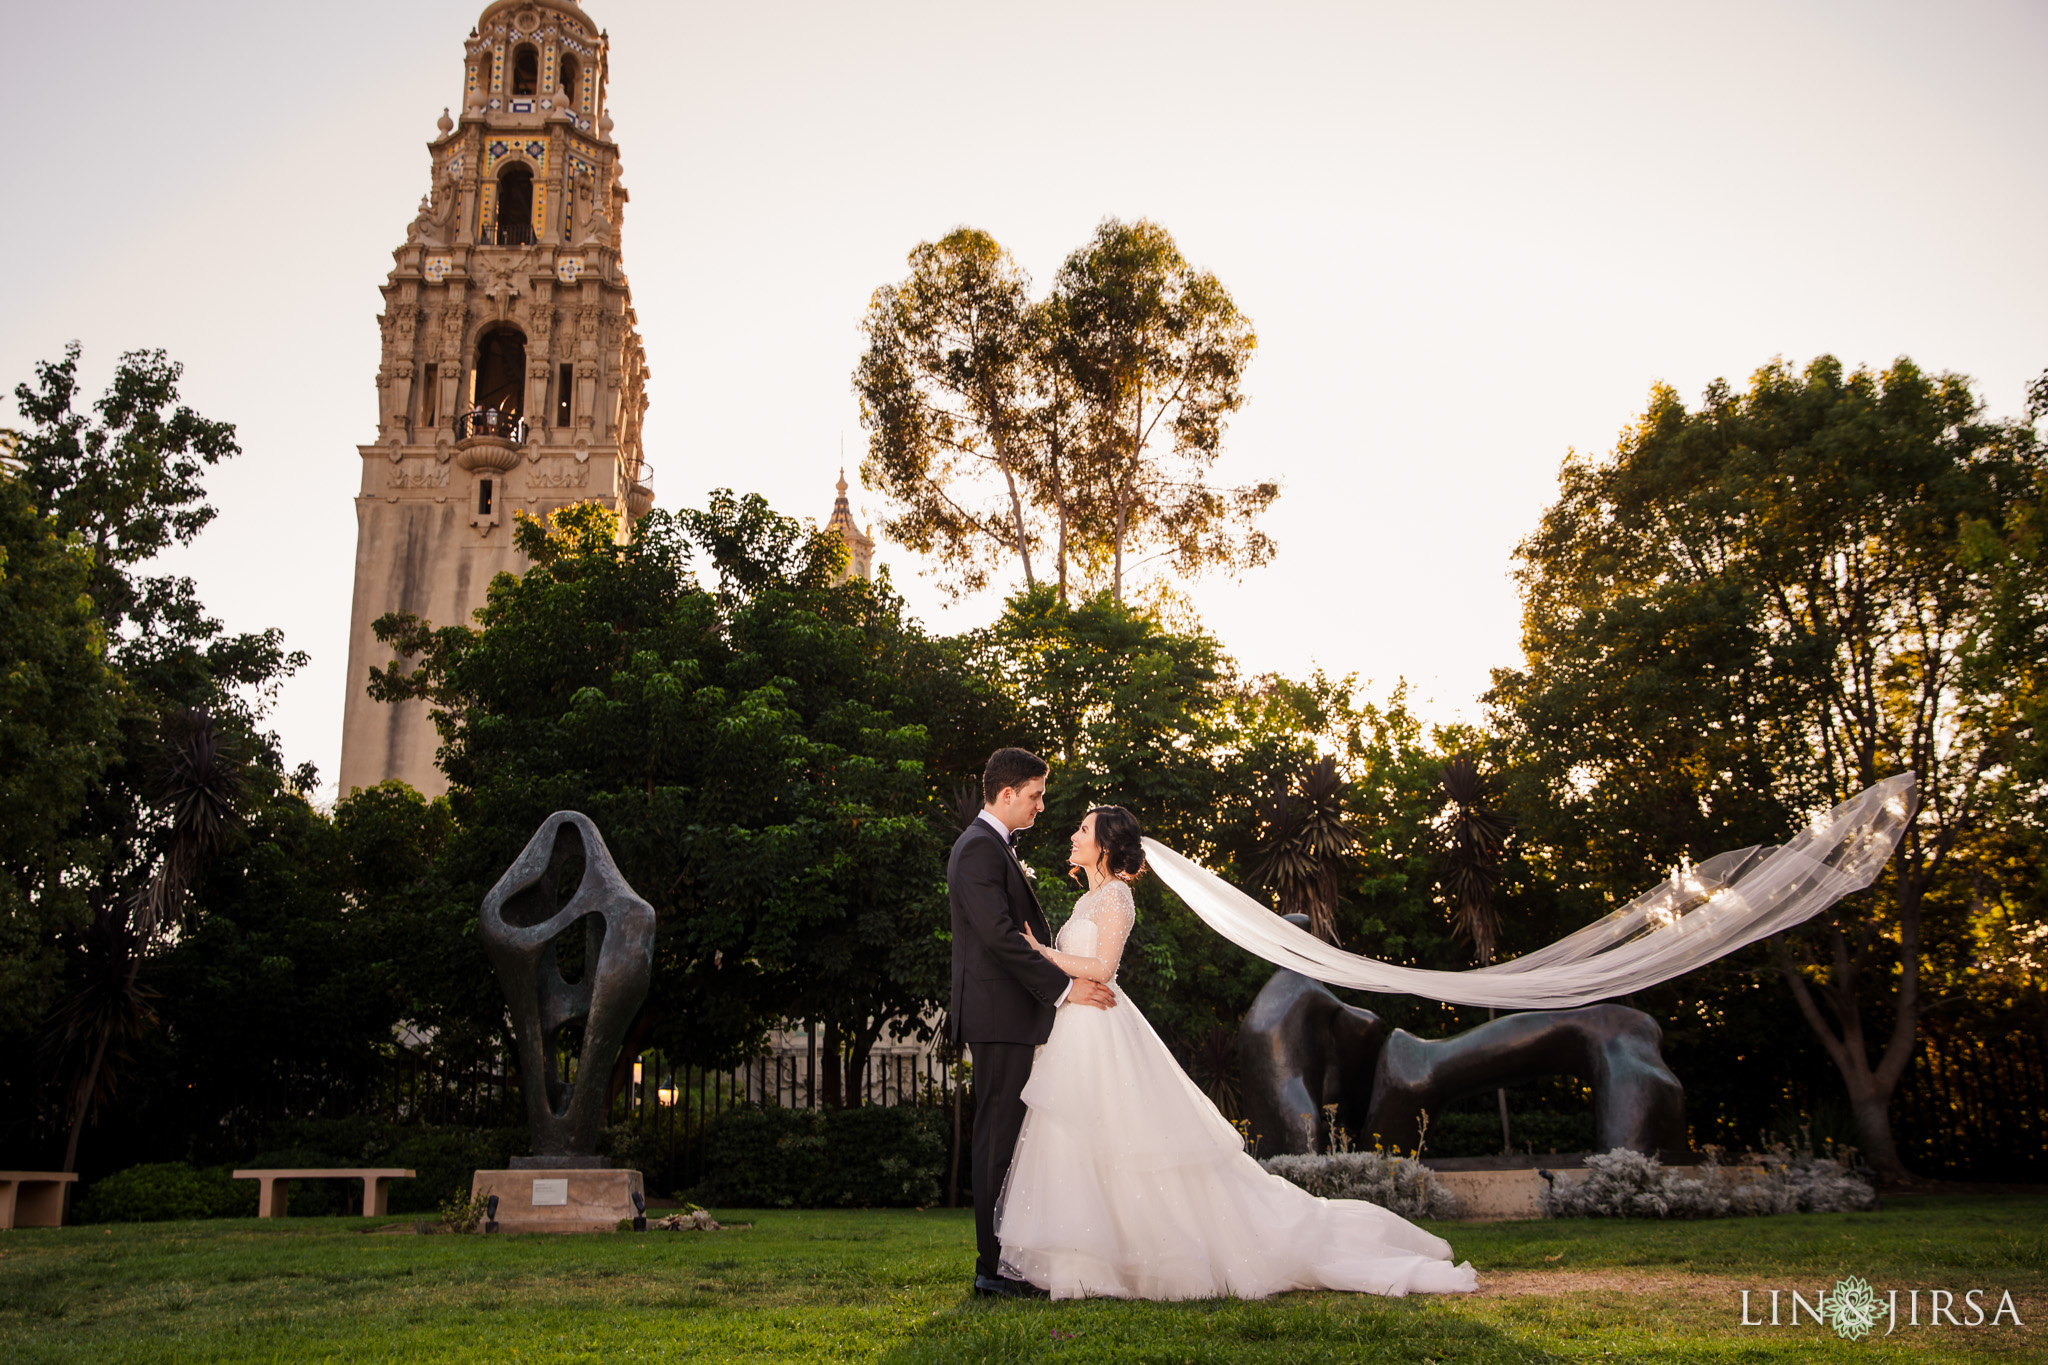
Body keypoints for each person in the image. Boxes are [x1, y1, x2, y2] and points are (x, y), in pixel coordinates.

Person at [993, 804, 1479, 1301]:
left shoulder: (1118, 896)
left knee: (1121, 1139)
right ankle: (1085, 1262)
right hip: (1078, 1029)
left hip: (1103, 1031)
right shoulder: (1084, 902)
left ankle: (1146, 1256)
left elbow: (1102, 965)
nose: (1073, 835)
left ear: (1106, 845)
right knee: (1079, 1139)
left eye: (1082, 828)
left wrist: (1044, 954)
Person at [948, 747, 1118, 1299]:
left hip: (1009, 1015)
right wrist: (1066, 989)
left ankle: (1006, 1262)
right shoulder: (978, 849)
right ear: (1006, 794)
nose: (1042, 806)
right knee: (997, 1137)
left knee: (1007, 1137)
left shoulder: (993, 848)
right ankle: (993, 1269)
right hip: (998, 1016)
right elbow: (999, 938)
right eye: (1036, 795)